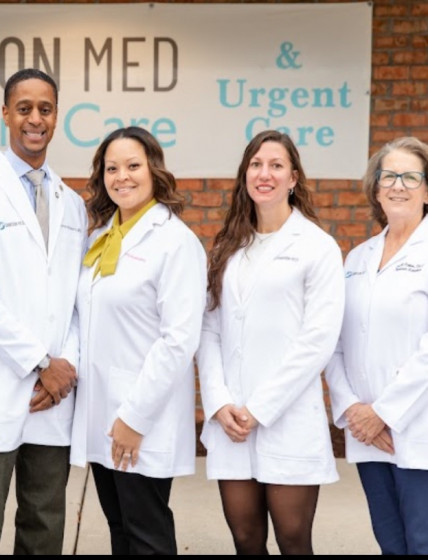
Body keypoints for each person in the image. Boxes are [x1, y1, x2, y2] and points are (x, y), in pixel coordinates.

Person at [0, 68, 88, 555]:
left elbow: (77, 300)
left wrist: (64, 368)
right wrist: (42, 363)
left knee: (44, 525)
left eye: (45, 109)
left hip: (53, 395)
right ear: (6, 114)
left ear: (57, 117)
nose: (35, 119)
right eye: (24, 108)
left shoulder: (72, 204)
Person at [196, 129, 345, 554]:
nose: (265, 174)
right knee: (245, 539)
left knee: (293, 540)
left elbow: (318, 339)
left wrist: (259, 409)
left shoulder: (317, 247)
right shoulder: (227, 247)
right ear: (245, 174)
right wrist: (218, 401)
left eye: (276, 165)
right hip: (231, 419)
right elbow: (208, 329)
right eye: (256, 165)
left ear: (293, 178)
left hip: (287, 417)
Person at [69, 126, 207, 555]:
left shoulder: (175, 242)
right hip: (101, 415)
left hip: (141, 418)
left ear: (153, 171)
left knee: (147, 535)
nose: (122, 177)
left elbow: (178, 340)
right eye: (112, 168)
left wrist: (134, 418)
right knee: (121, 531)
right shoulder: (100, 240)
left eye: (133, 166)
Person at [325, 136, 428, 554]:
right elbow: (334, 342)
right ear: (376, 188)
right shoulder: (357, 258)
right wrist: (353, 409)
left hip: (416, 428)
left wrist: (383, 413)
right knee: (390, 543)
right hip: (368, 435)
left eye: (411, 177)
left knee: (421, 542)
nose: (398, 185)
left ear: (427, 191)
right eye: (389, 176)